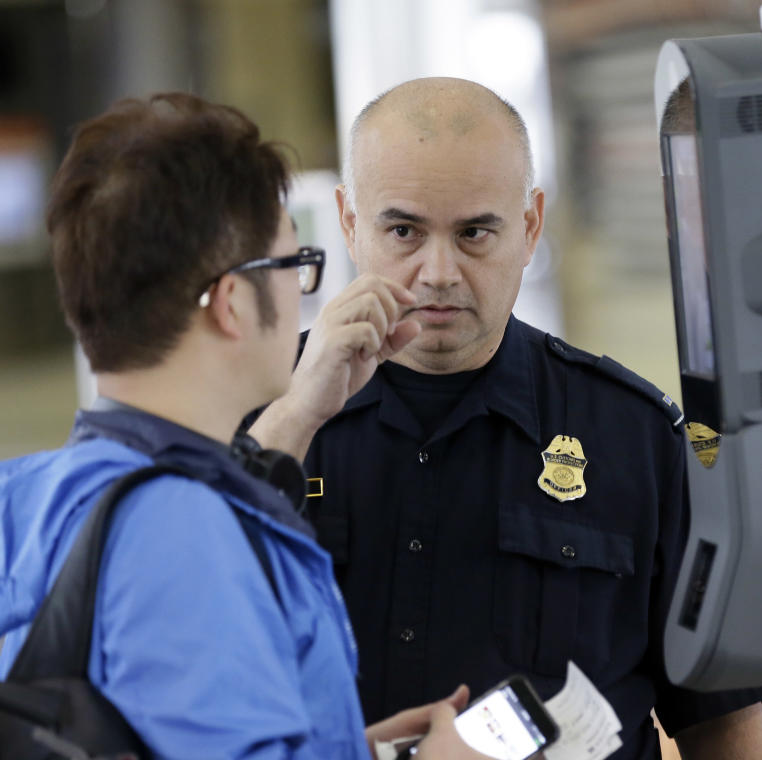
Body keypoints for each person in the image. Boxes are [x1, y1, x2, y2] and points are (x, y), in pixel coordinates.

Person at [249, 77, 762, 759]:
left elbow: (726, 728)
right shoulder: (261, 418)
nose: (439, 271)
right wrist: (289, 421)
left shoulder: (636, 440)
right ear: (347, 222)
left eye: (476, 232)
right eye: (403, 231)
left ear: (532, 225)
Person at [0, 92, 489, 759]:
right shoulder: (180, 532)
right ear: (231, 301)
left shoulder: (26, 497)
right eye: (294, 266)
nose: (304, 292)